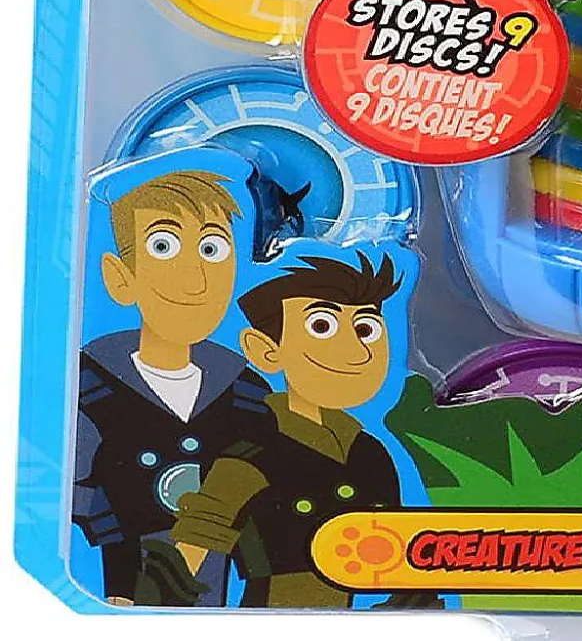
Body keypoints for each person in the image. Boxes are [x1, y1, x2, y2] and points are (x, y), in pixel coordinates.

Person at [146, 252, 425, 609]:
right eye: (321, 327)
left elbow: (402, 559)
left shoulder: (370, 452)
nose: (355, 352)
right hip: (269, 615)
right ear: (266, 350)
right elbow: (188, 556)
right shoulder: (252, 454)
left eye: (365, 330)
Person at [74, 170, 270, 605]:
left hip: (226, 591)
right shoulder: (89, 384)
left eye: (212, 250)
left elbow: (269, 473)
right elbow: (70, 481)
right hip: (124, 583)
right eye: (162, 247)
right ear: (121, 277)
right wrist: (117, 535)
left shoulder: (246, 390)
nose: (195, 279)